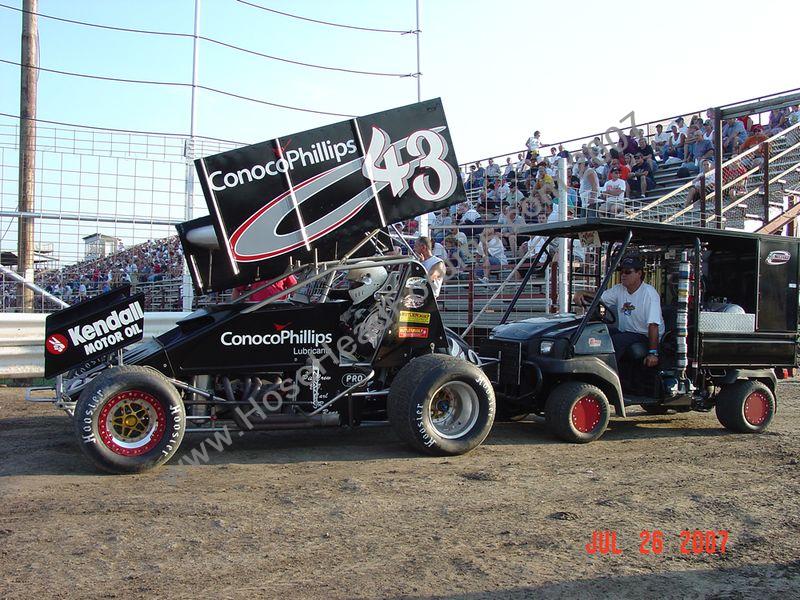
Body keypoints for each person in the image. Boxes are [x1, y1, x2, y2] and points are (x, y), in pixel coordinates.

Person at [573, 255, 664, 368]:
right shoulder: (619, 289)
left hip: (644, 335)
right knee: (599, 333)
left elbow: (653, 325)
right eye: (621, 272)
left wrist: (653, 353)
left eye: (627, 272)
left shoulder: (649, 294)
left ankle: (605, 372)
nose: (623, 275)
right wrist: (581, 292)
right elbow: (599, 297)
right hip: (627, 332)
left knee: (616, 341)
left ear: (639, 274)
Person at [232, 273, 298, 302]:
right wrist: (234, 307)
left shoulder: (284, 270)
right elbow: (237, 289)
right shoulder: (252, 271)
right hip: (256, 307)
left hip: (279, 306)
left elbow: (294, 286)